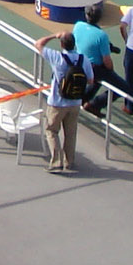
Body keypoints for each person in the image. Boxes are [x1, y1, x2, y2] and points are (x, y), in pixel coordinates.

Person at [33, 28, 91, 175]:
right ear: (74, 44)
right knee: (70, 133)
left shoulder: (56, 57)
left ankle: (56, 162)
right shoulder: (83, 59)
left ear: (62, 44)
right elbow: (90, 80)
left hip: (57, 103)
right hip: (75, 102)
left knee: (51, 130)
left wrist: (54, 35)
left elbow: (38, 44)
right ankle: (69, 161)